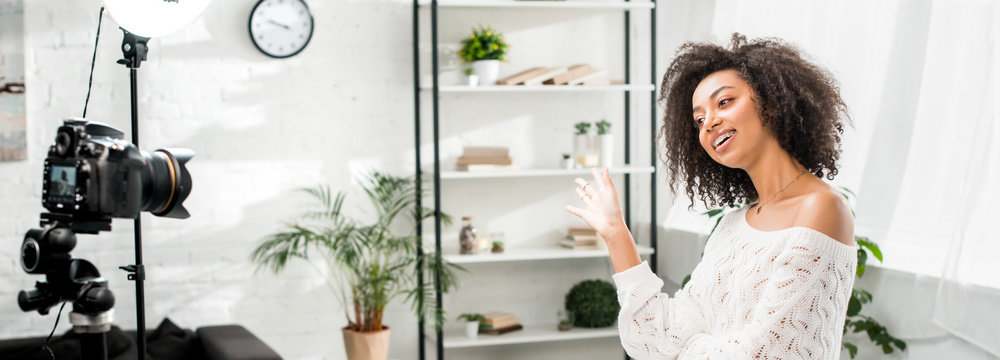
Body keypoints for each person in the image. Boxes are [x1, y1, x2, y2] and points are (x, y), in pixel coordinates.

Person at [566, 33, 857, 359]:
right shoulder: (732, 226)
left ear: (772, 101)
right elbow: (656, 341)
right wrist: (616, 233)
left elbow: (765, 352)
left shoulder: (821, 208)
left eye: (724, 102)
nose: (709, 123)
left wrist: (687, 350)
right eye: (699, 120)